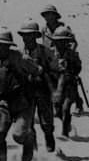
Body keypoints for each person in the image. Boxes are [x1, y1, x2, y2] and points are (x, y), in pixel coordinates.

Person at [0, 28, 38, 161]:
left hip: (23, 102)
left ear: (8, 45)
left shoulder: (21, 58)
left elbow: (37, 71)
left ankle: (29, 140)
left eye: (0, 44)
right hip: (4, 103)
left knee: (18, 135)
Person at [18, 20, 60, 153]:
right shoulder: (19, 54)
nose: (26, 38)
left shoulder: (45, 52)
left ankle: (49, 139)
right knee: (28, 123)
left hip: (43, 90)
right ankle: (33, 150)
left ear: (35, 36)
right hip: (27, 92)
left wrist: (48, 78)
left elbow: (56, 69)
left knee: (46, 122)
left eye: (29, 35)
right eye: (24, 35)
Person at [50, 25, 84, 138]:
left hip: (70, 85)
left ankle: (65, 133)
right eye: (58, 41)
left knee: (66, 107)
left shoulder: (72, 54)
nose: (61, 44)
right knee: (58, 110)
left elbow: (79, 67)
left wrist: (72, 70)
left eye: (63, 41)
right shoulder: (50, 53)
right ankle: (67, 124)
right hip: (55, 85)